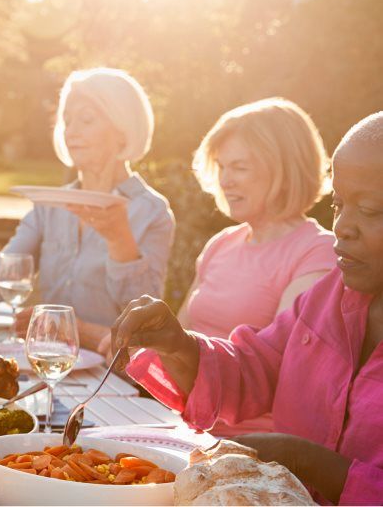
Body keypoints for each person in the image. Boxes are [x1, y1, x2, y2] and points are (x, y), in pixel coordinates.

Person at [111, 112, 383, 505]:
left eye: (371, 210)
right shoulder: (332, 294)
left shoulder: (315, 256)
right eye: (339, 204)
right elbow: (259, 365)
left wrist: (304, 460)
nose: (342, 226)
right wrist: (179, 344)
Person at [0, 67, 174, 349]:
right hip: (47, 357)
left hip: (111, 367)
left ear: (123, 131)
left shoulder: (152, 212)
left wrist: (119, 241)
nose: (71, 131)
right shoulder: (50, 205)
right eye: (67, 121)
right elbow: (7, 268)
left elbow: (146, 321)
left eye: (86, 120)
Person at [178, 98, 337, 436]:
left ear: (284, 171)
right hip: (187, 427)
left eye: (239, 167)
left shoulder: (318, 252)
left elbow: (276, 369)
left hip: (253, 444)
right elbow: (177, 340)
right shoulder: (221, 243)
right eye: (221, 167)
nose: (225, 180)